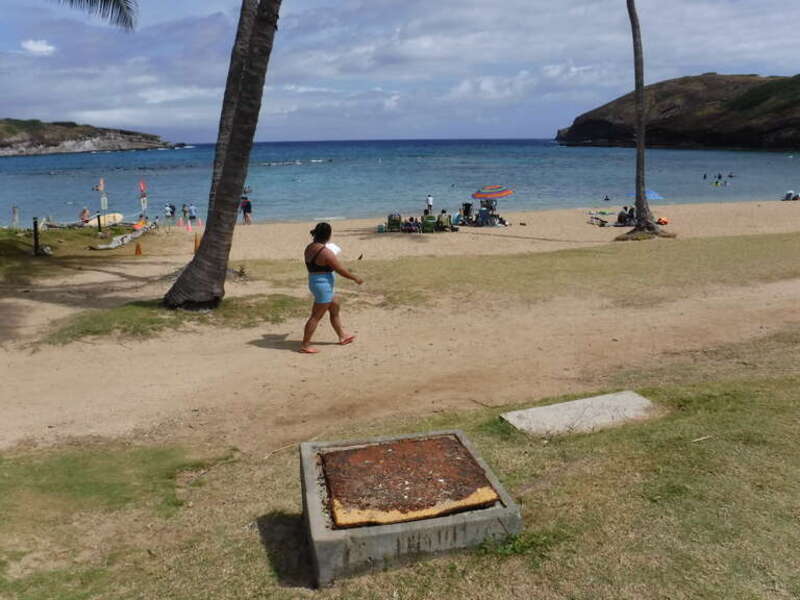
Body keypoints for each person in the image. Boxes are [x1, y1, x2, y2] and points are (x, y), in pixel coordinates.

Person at [300, 222, 364, 354]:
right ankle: (305, 344)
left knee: (334, 307)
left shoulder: (309, 247)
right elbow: (340, 269)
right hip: (323, 287)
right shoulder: (326, 252)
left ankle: (342, 336)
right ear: (328, 235)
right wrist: (355, 278)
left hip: (318, 283)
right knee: (315, 316)